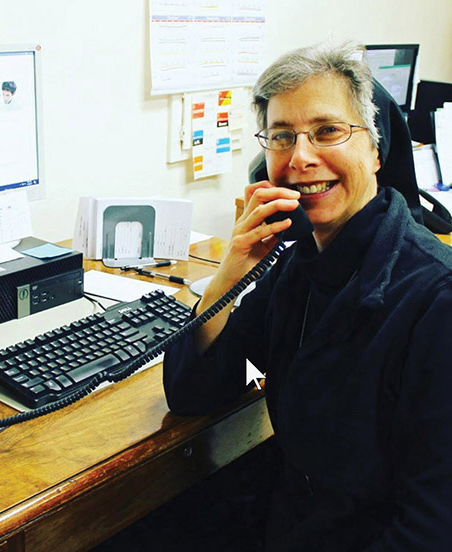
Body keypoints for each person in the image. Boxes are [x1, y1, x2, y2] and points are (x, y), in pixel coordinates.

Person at [163, 41, 452, 551]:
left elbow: (432, 527)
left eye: (327, 131)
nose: (300, 157)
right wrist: (228, 277)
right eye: (281, 137)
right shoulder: (299, 264)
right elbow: (195, 394)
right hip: (294, 518)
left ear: (376, 149)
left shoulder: (434, 299)